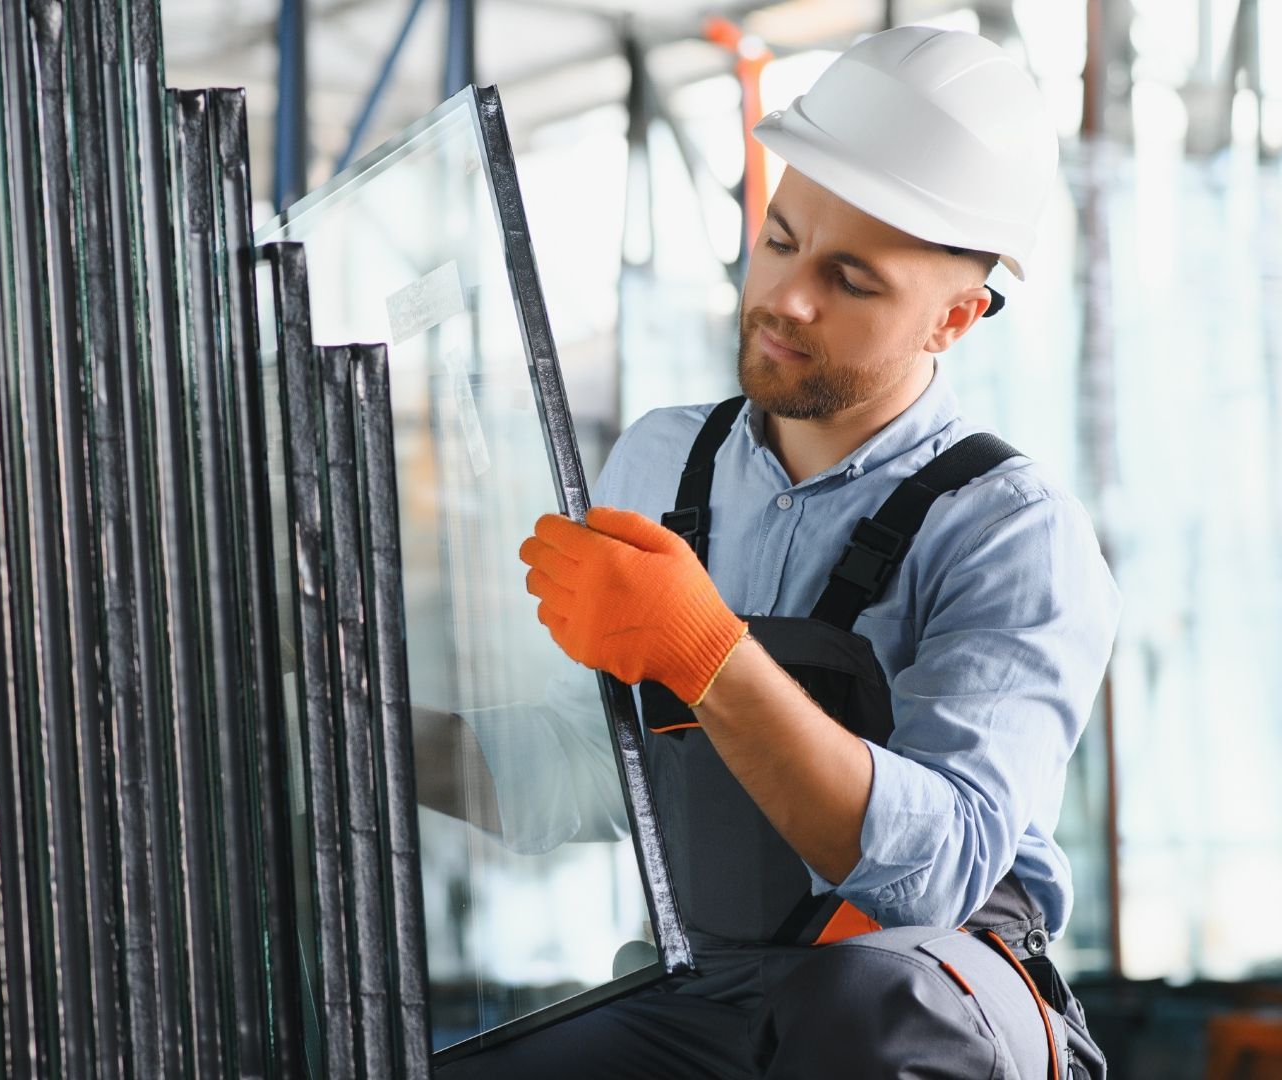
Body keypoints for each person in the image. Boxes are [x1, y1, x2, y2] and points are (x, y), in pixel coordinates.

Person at [428, 25, 1120, 1079]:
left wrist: (707, 653)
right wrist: (342, 737)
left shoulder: (1010, 531)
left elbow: (937, 876)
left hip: (941, 993)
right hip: (710, 985)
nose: (790, 296)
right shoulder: (663, 462)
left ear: (955, 319)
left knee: (864, 1010)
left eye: (852, 277)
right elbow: (592, 761)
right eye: (783, 240)